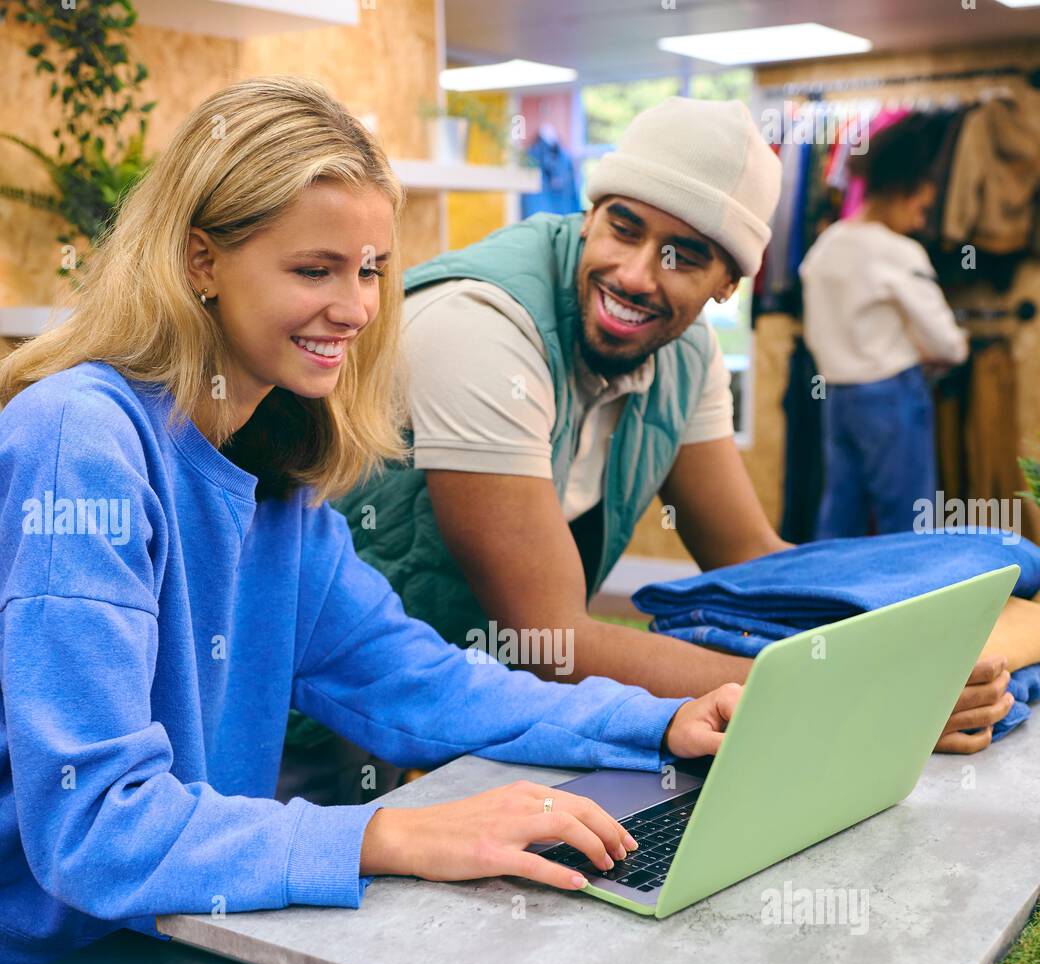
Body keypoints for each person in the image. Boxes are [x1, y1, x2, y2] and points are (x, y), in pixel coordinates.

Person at [0, 77, 743, 964]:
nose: (355, 308)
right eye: (314, 271)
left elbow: (418, 683)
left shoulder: (275, 467)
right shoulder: (80, 441)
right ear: (201, 262)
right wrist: (394, 835)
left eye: (370, 271)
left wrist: (661, 724)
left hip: (187, 937)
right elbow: (93, 827)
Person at [280, 99, 1011, 803]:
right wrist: (858, 696)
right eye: (623, 227)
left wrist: (902, 653)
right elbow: (551, 639)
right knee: (296, 870)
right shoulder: (480, 324)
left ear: (728, 283)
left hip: (455, 694)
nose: (635, 273)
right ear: (591, 213)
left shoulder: (684, 352)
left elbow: (748, 558)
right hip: (308, 702)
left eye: (682, 257)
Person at [799, 113, 970, 539]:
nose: (921, 222)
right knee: (908, 522)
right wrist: (953, 344)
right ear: (901, 191)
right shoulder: (899, 252)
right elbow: (947, 345)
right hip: (892, 396)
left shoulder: (825, 246)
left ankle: (832, 585)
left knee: (840, 515)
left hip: (837, 397)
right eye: (921, 209)